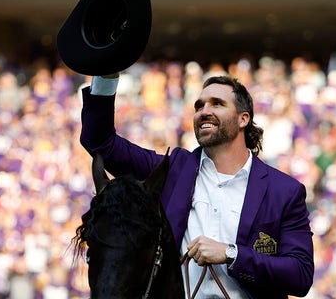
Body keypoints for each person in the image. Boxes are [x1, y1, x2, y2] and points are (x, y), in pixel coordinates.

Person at [79, 73, 314, 298]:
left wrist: (231, 254)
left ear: (244, 119)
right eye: (199, 106)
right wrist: (107, 73)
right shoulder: (172, 170)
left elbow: (300, 275)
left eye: (217, 104)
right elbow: (100, 141)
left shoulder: (284, 190)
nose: (204, 111)